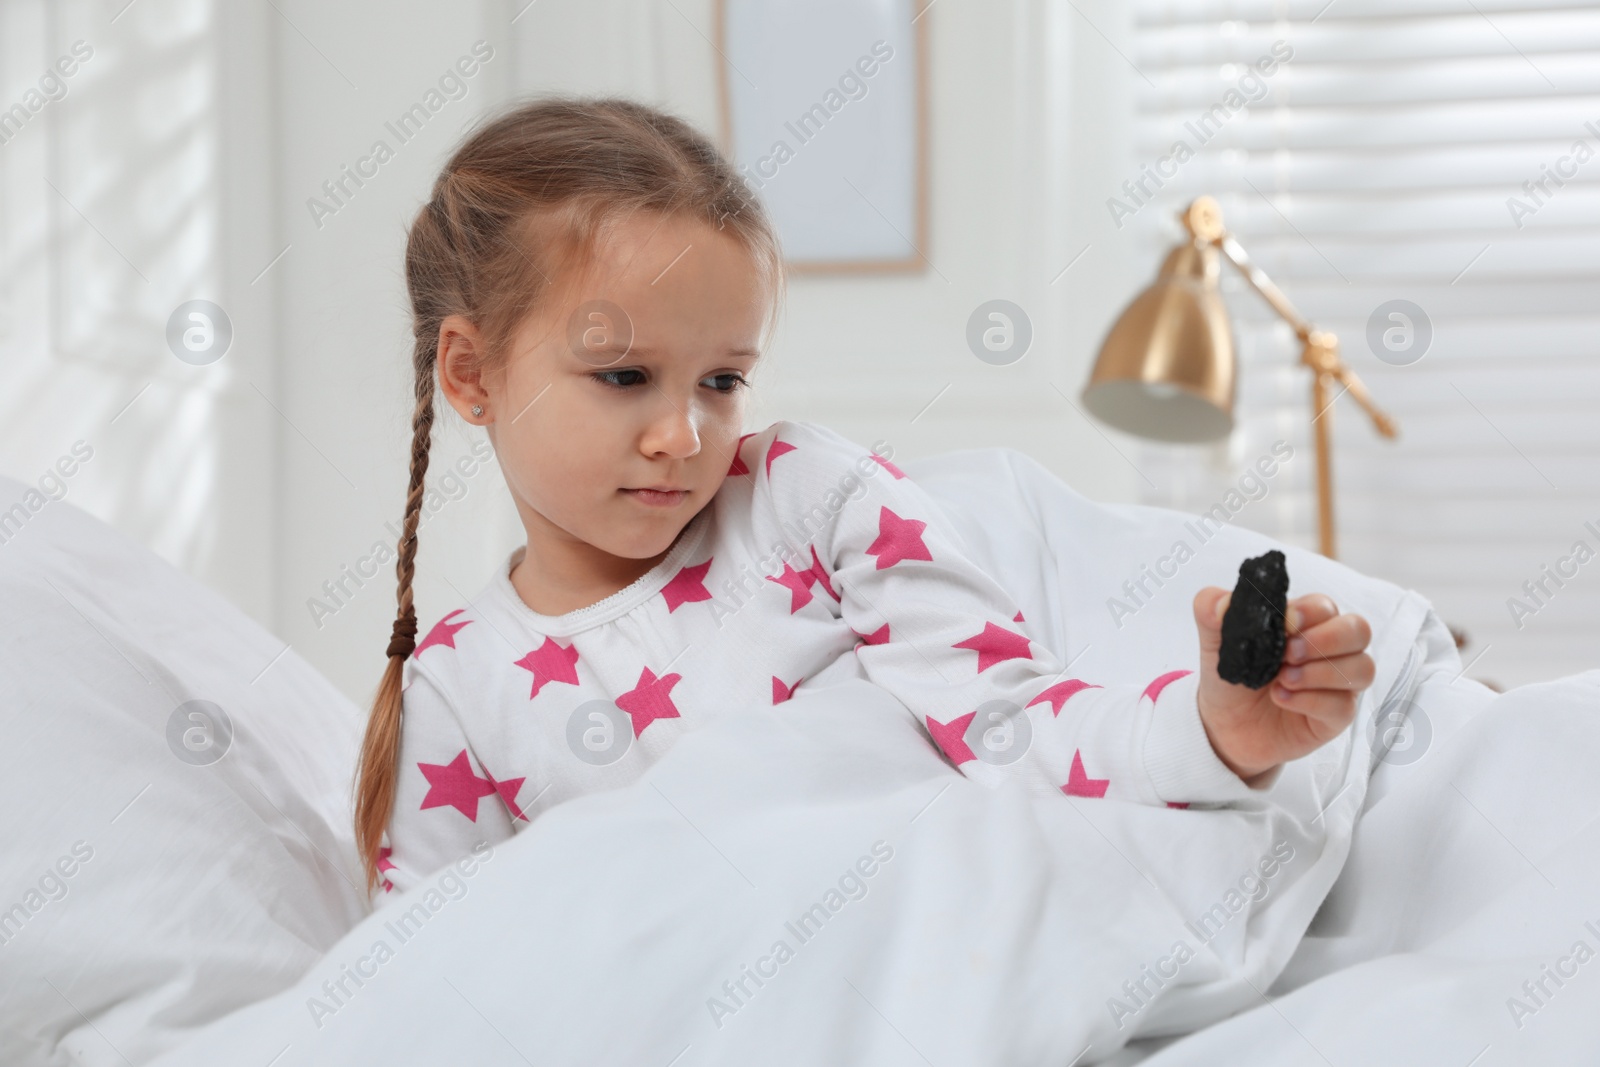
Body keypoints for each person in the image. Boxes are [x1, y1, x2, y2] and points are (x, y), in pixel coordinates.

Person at [355, 97, 1375, 895]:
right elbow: (439, 968)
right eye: (623, 376)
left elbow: (1008, 716)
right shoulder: (458, 684)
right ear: (472, 374)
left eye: (721, 379)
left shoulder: (805, 499)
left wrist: (1211, 733)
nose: (684, 434)